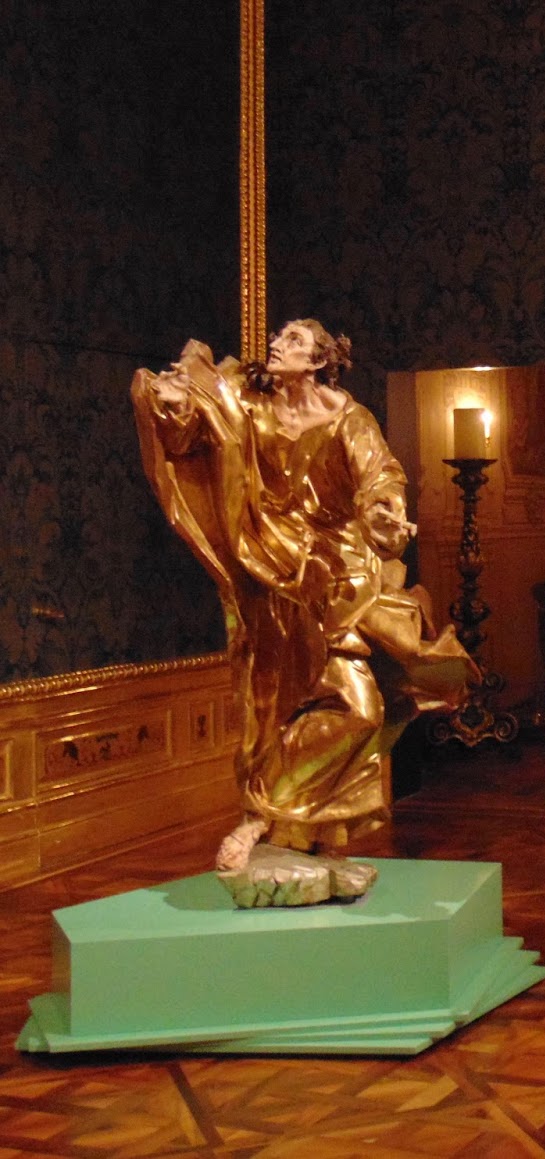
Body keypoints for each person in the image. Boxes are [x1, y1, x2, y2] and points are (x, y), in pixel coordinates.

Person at [131, 321, 475, 897]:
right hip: (268, 569)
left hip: (336, 580)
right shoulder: (249, 402)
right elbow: (196, 428)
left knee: (365, 710)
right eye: (279, 337)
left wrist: (384, 512)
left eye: (292, 340)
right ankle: (280, 828)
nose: (277, 344)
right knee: (275, 702)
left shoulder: (349, 418)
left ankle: (279, 818)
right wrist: (171, 405)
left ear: (319, 361)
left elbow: (381, 475)